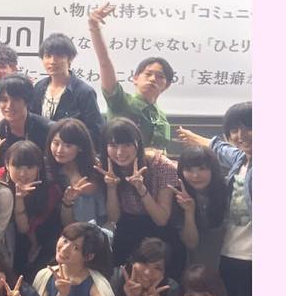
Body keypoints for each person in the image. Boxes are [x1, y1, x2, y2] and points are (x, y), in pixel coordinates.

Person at [178, 102, 252, 296]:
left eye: (249, 127)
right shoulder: (241, 160)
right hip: (231, 254)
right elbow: (219, 148)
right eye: (235, 130)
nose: (241, 135)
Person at [98, 118, 180, 276]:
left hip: (160, 234)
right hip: (128, 229)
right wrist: (111, 188)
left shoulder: (162, 167)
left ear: (138, 144)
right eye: (113, 146)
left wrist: (141, 188)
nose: (120, 153)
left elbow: (161, 219)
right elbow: (114, 218)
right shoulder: (107, 167)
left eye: (127, 145)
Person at [87, 2, 174, 149]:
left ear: (167, 85)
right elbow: (104, 62)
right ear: (135, 78)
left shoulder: (161, 117)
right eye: (148, 74)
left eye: (160, 76)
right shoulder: (121, 101)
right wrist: (94, 27)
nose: (153, 79)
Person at [29, 32, 104, 149]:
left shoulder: (84, 92)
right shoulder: (39, 87)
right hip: (42, 153)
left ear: (70, 58)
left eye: (59, 56)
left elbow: (95, 131)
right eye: (47, 56)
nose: (52, 61)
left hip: (71, 154)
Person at [2, 139, 60, 278]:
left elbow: (25, 229)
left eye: (29, 167)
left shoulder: (50, 190)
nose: (23, 174)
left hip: (40, 238)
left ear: (39, 167)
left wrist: (20, 200)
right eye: (17, 166)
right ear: (7, 165)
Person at [172, 144, 228, 271]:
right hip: (194, 269)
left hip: (229, 263)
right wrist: (189, 211)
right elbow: (191, 243)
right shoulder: (177, 196)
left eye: (202, 168)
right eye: (189, 169)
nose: (195, 175)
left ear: (213, 169)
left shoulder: (227, 190)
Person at [47, 118, 107, 228]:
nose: (59, 150)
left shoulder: (95, 170)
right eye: (56, 143)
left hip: (94, 230)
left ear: (80, 147)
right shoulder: (49, 169)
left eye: (68, 145)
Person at [0, 74, 51, 157]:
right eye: (4, 100)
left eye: (16, 100)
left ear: (27, 101)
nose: (9, 106)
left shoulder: (47, 130)